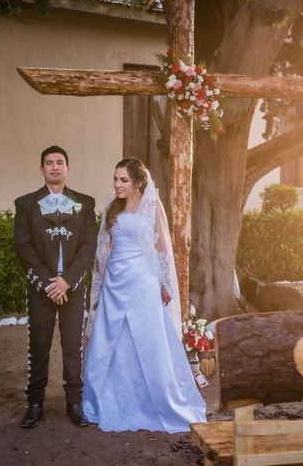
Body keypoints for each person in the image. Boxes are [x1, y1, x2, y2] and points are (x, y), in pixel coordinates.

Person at [82, 158, 207, 433]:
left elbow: (162, 246)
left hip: (142, 280)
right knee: (110, 340)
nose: (117, 185)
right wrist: (101, 279)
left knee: (148, 340)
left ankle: (154, 399)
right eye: (115, 179)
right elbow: (104, 247)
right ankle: (106, 397)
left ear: (138, 182)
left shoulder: (152, 205)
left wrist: (164, 283)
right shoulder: (111, 206)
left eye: (123, 180)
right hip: (115, 280)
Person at [14, 145, 97, 428]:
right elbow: (23, 247)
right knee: (38, 346)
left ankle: (75, 403)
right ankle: (35, 403)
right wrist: (49, 283)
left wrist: (68, 280)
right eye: (48, 163)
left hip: (72, 288)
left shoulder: (85, 204)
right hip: (42, 288)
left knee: (73, 346)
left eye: (60, 162)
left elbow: (88, 246)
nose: (54, 167)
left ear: (67, 169)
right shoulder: (25, 204)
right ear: (41, 170)